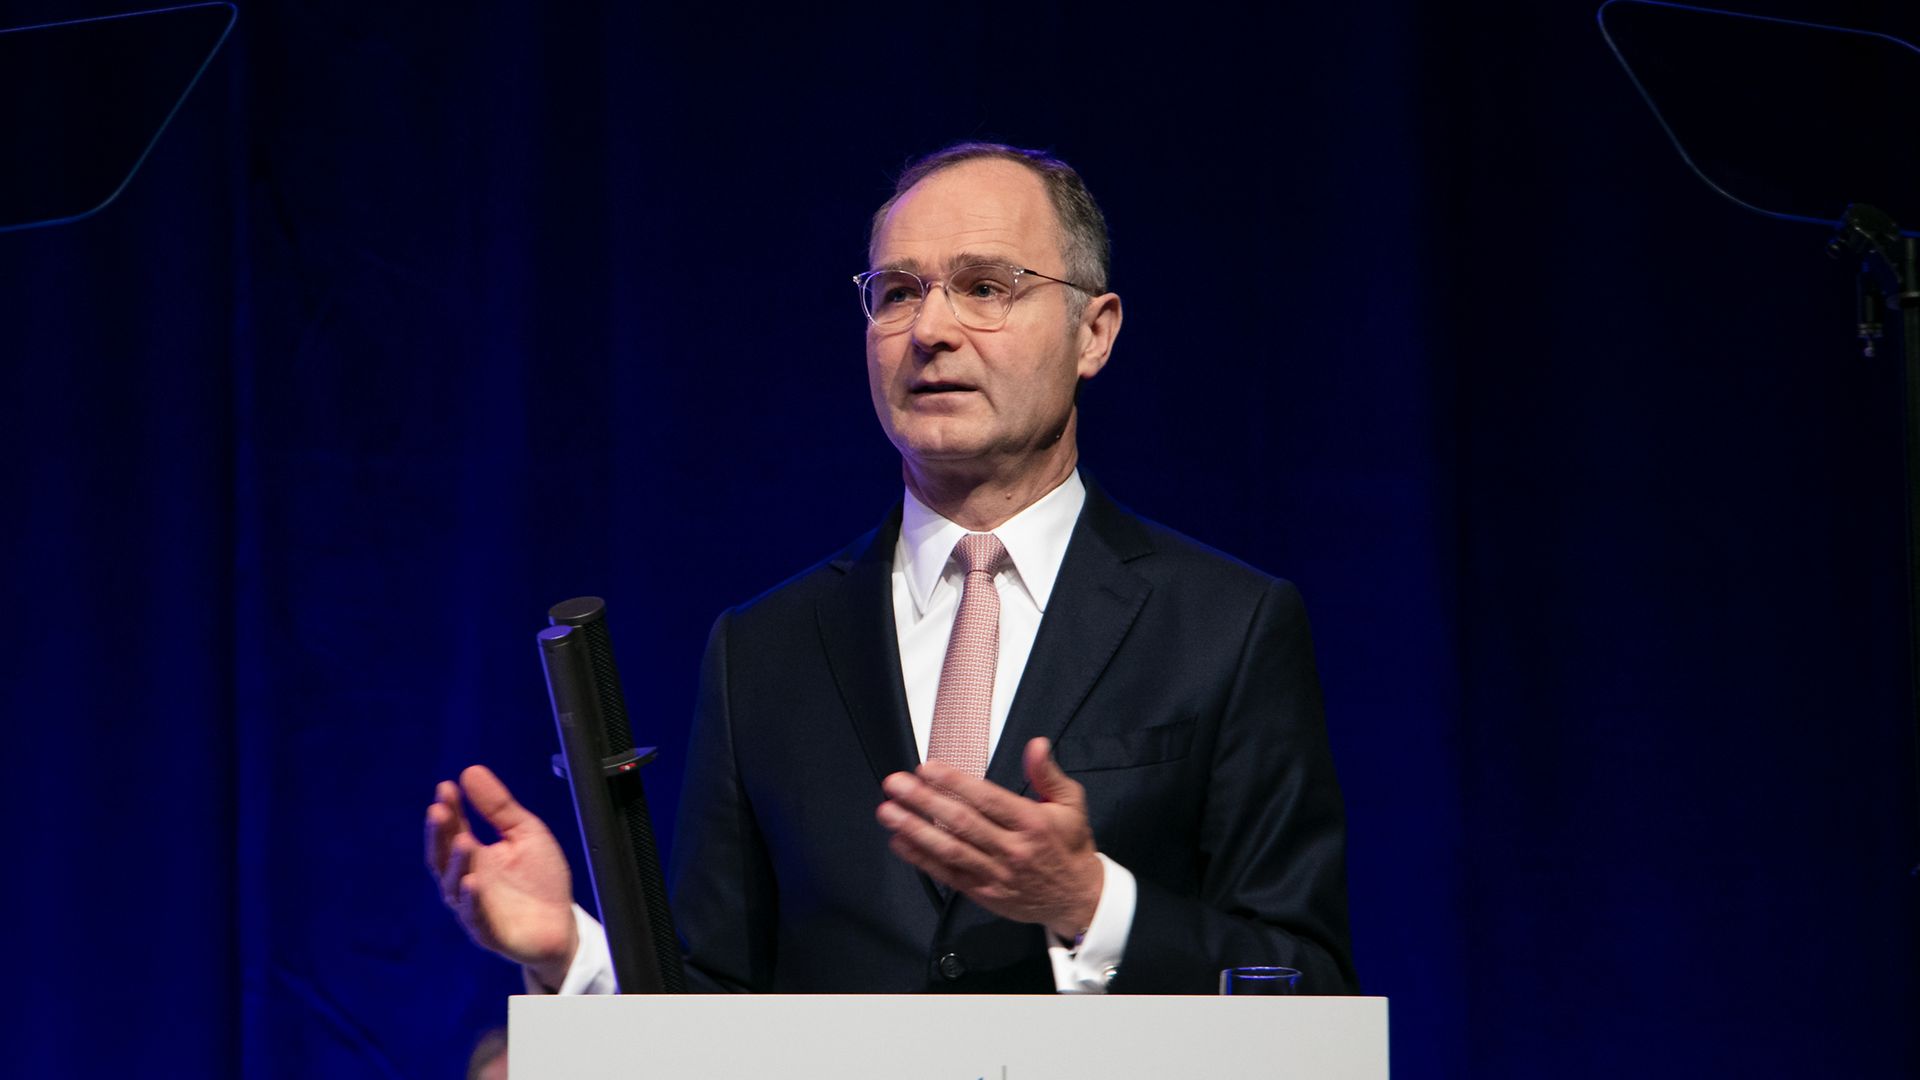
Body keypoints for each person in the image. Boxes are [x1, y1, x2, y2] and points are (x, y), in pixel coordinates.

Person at [425, 142, 1357, 996]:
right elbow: (718, 1015)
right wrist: (573, 956)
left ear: (1095, 332)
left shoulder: (1227, 626)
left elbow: (1306, 986)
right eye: (898, 292)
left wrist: (1092, 905)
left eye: (986, 287)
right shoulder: (762, 650)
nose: (931, 329)